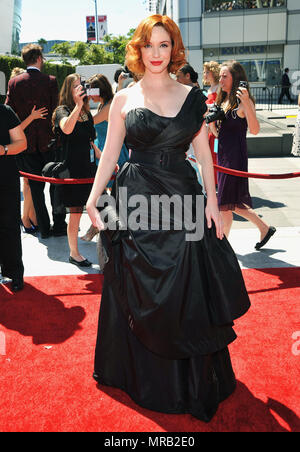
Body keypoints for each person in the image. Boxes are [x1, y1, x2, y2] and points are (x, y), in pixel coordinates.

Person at [86, 15, 251, 423]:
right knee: (137, 284)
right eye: (149, 45)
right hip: (135, 201)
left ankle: (186, 383)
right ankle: (141, 376)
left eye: (164, 45)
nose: (156, 53)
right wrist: (93, 199)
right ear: (138, 50)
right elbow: (110, 154)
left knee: (186, 288)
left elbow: (204, 155)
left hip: (183, 201)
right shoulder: (124, 98)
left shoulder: (193, 96)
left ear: (172, 48)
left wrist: (212, 201)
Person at [210, 60, 276, 249]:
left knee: (225, 203)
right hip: (223, 157)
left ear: (235, 78)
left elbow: (254, 130)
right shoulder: (222, 101)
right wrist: (212, 123)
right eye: (220, 76)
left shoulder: (243, 102)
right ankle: (264, 229)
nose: (220, 79)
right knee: (232, 203)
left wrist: (246, 103)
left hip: (234, 159)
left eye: (225, 76)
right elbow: (218, 134)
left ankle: (222, 247)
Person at [5, 44, 67, 239]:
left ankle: (44, 228)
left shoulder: (14, 83)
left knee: (36, 188)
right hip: (50, 142)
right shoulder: (50, 81)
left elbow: (8, 112)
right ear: (39, 58)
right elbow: (56, 111)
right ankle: (58, 225)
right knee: (56, 185)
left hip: (25, 144)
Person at [53, 74, 101, 267]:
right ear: (68, 90)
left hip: (89, 169)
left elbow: (91, 141)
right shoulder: (62, 111)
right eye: (76, 85)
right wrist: (78, 106)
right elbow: (66, 129)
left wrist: (104, 158)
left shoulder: (87, 113)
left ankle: (108, 249)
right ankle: (74, 253)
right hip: (72, 170)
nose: (81, 88)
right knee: (75, 213)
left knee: (101, 207)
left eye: (82, 84)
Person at [80, 74, 129, 242]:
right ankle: (99, 226)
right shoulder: (103, 104)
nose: (89, 94)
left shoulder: (109, 105)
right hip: (102, 150)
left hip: (112, 152)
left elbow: (90, 123)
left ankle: (99, 227)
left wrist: (81, 104)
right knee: (104, 192)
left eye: (91, 90)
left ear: (99, 89)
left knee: (111, 192)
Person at [9, 67, 47, 234]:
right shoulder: (11, 107)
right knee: (27, 184)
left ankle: (30, 216)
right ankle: (25, 218)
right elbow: (17, 130)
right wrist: (32, 117)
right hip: (18, 149)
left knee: (30, 185)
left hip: (26, 148)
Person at [0, 104, 27, 292]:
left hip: (5, 178)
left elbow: (21, 143)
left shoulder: (4, 111)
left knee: (9, 225)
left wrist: (3, 149)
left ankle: (14, 272)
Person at [203, 61, 221, 186]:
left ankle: (218, 181)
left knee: (216, 153)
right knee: (211, 153)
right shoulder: (210, 89)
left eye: (207, 72)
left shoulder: (218, 87)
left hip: (216, 125)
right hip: (209, 125)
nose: (204, 74)